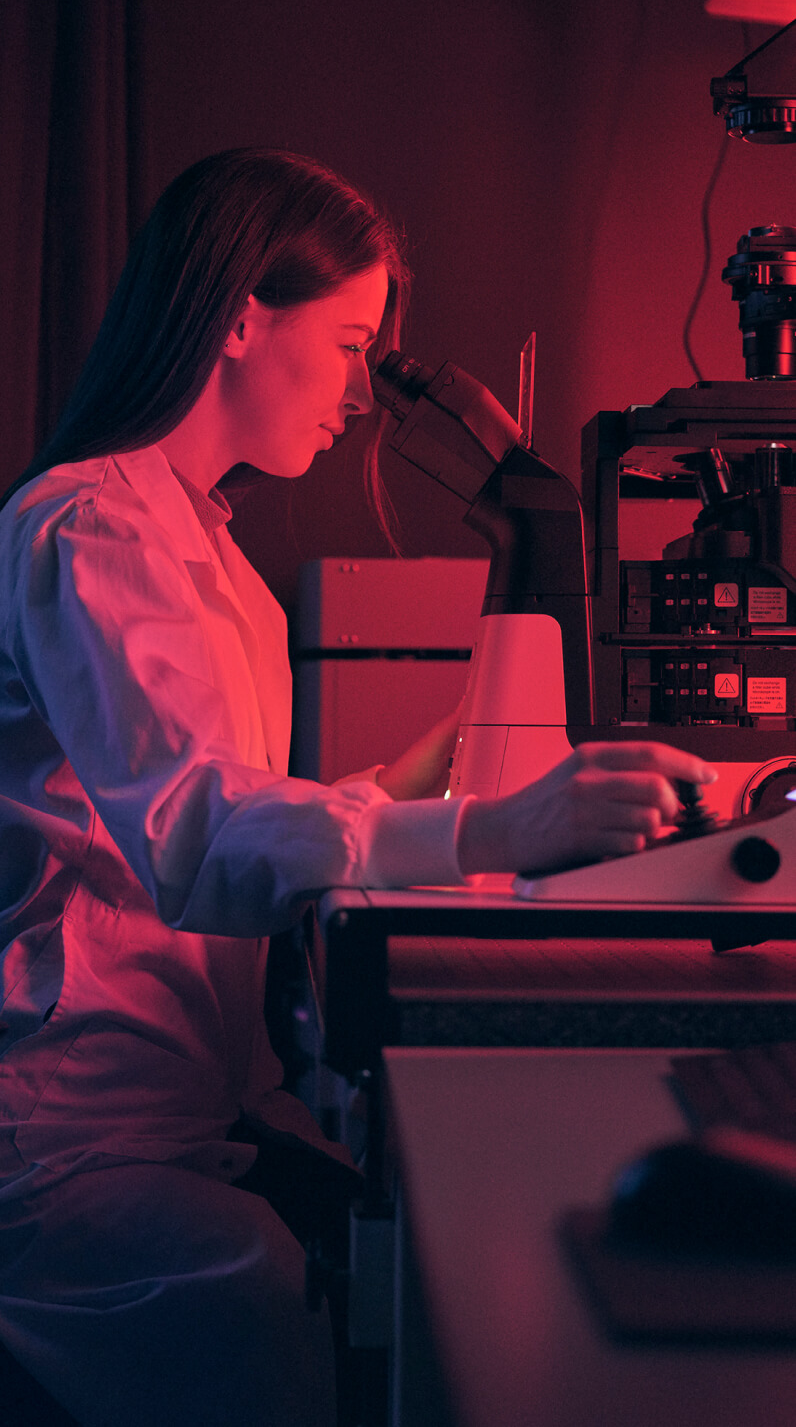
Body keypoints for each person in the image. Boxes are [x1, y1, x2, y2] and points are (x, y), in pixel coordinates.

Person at [0, 148, 715, 1426]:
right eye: (348, 344)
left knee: (387, 1237)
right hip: (65, 1128)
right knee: (274, 1291)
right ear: (237, 316)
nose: (358, 394)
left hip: (176, 1102)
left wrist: (417, 771)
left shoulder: (209, 553)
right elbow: (195, 839)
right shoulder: (91, 527)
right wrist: (496, 824)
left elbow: (213, 804)